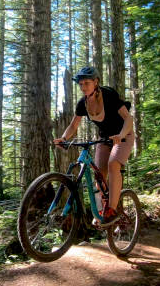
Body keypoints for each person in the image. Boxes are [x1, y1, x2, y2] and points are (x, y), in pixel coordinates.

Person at [53, 66, 135, 227]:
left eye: (87, 83)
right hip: (104, 138)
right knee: (99, 175)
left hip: (124, 136)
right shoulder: (82, 104)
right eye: (81, 84)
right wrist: (63, 138)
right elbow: (74, 125)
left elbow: (128, 118)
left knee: (113, 165)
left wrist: (121, 135)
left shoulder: (108, 95)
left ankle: (111, 209)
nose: (83, 87)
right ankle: (100, 211)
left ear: (96, 82)